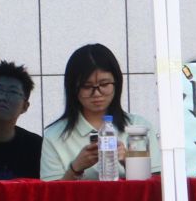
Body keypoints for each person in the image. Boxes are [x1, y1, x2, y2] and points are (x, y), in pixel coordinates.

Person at [41, 43, 158, 181]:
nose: (97, 93)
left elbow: (158, 185)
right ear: (72, 88)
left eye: (104, 84)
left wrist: (130, 164)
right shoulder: (55, 136)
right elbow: (50, 192)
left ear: (117, 83)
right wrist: (75, 168)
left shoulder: (139, 128)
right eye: (86, 86)